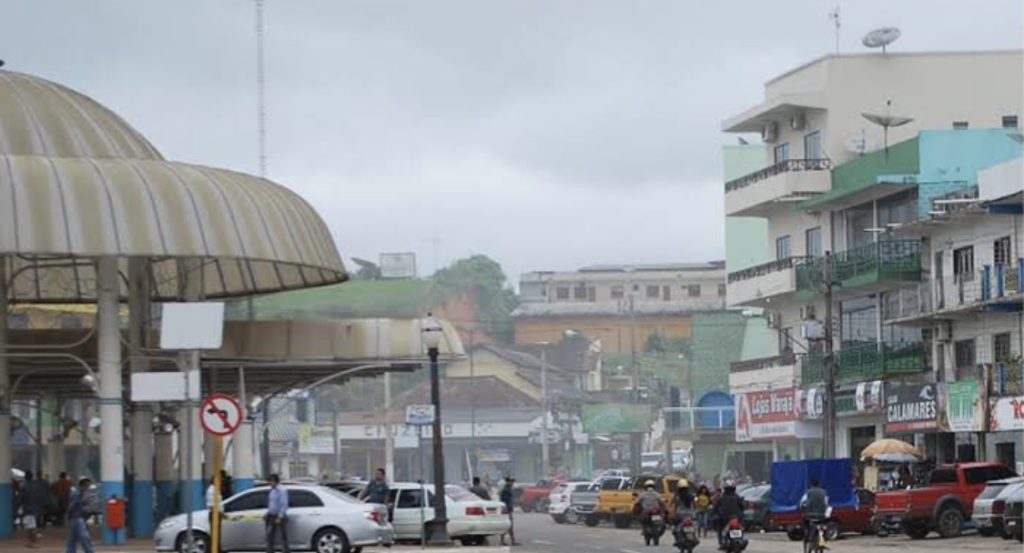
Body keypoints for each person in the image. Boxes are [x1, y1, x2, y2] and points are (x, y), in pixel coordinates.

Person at [64, 477, 95, 553]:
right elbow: (72, 505)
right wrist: (68, 513)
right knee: (84, 538)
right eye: (87, 484)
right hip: (78, 518)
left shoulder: (82, 492)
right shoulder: (78, 493)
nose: (88, 486)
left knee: (72, 539)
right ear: (83, 484)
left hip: (76, 519)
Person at [713, 480, 744, 548]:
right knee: (720, 527)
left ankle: (722, 542)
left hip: (728, 518)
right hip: (730, 518)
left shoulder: (723, 498)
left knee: (720, 528)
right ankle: (723, 541)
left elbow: (715, 508)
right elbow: (742, 507)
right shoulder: (736, 497)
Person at [21, 470, 49, 547]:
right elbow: (43, 496)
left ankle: (34, 543)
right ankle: (32, 542)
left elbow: (21, 498)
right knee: (34, 525)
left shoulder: (24, 486)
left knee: (31, 527)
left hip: (28, 508)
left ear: (25, 477)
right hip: (38, 508)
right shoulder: (37, 485)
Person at [800, 478, 830, 545]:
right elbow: (826, 503)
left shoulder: (808, 492)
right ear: (818, 484)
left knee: (806, 523)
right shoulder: (823, 492)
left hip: (810, 515)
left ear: (812, 485)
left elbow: (802, 502)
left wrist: (803, 507)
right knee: (823, 525)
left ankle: (807, 535)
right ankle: (823, 539)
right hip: (821, 515)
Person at [265, 474, 289, 553]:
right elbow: (271, 504)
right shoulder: (272, 490)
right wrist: (267, 513)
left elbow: (284, 504)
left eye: (271, 481)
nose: (269, 483)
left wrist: (280, 517)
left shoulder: (282, 490)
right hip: (271, 516)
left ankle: (285, 551)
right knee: (269, 536)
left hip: (279, 516)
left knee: (283, 536)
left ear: (275, 481)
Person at [499, 476, 517, 546]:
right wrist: (506, 509)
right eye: (511, 481)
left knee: (509, 526)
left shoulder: (509, 489)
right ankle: (504, 541)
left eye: (512, 481)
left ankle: (511, 541)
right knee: (507, 525)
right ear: (507, 482)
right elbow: (504, 501)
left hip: (509, 510)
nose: (512, 483)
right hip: (506, 510)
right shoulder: (505, 490)